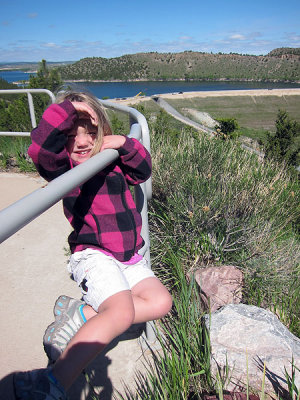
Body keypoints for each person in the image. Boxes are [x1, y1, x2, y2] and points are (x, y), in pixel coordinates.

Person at [13, 91, 172, 400]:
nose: (82, 142)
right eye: (72, 135)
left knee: (161, 303)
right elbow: (41, 149)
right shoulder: (65, 169)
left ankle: (83, 312)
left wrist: (124, 143)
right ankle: (50, 382)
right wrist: (70, 109)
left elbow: (142, 170)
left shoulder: (110, 159)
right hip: (94, 254)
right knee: (121, 314)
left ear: (103, 131)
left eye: (91, 132)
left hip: (128, 257)